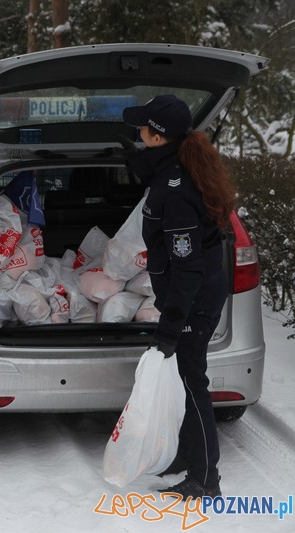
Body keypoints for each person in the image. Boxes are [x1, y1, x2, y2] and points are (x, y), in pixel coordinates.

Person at [122, 95, 235, 499]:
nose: (137, 134)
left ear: (157, 136)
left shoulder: (177, 189)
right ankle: (188, 456)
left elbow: (187, 266)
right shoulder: (174, 167)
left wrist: (171, 325)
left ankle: (206, 479)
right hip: (191, 291)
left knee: (191, 382)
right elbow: (155, 174)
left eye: (141, 129)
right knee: (186, 377)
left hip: (193, 295)